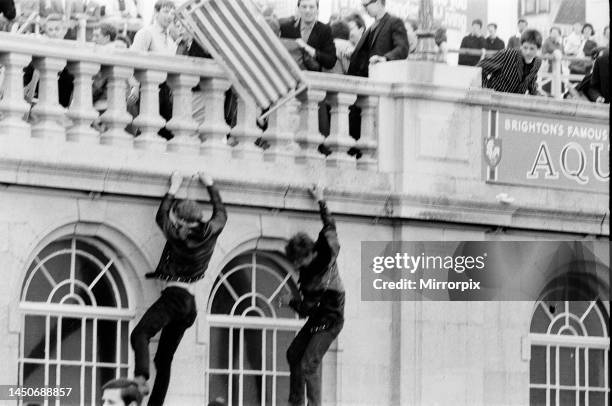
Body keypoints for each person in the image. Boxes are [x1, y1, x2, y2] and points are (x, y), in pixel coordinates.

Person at [130, 171, 227, 406]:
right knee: (164, 359)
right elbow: (221, 213)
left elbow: (161, 216)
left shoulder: (177, 235)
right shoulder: (212, 230)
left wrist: (173, 188)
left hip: (174, 297)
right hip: (189, 306)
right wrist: (210, 184)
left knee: (140, 334)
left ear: (181, 221)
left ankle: (141, 378)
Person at [281, 185, 344, 406]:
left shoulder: (316, 272)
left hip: (330, 319)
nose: (296, 266)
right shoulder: (322, 246)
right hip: (318, 318)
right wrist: (321, 200)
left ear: (306, 256)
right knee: (293, 354)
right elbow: (329, 224)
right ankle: (296, 402)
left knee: (309, 363)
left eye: (297, 262)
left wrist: (290, 301)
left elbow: (307, 309)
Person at [347, 0, 409, 77]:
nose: (364, 9)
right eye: (363, 6)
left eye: (366, 5)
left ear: (378, 2)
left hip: (383, 78)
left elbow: (403, 48)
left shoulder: (394, 22)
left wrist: (385, 58)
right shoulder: (371, 27)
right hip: (366, 79)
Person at [477, 29, 544, 95]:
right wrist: (485, 89)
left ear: (538, 49)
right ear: (521, 46)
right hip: (494, 99)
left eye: (532, 48)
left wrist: (538, 95)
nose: (527, 52)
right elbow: (481, 67)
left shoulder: (537, 62)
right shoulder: (507, 54)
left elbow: (531, 83)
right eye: (525, 47)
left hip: (515, 102)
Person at [279, 0, 336, 72]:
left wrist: (308, 49)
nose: (307, 10)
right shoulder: (286, 28)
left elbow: (331, 61)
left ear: (317, 10)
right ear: (298, 9)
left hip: (313, 78)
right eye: (304, 7)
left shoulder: (325, 30)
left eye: (311, 7)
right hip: (290, 75)